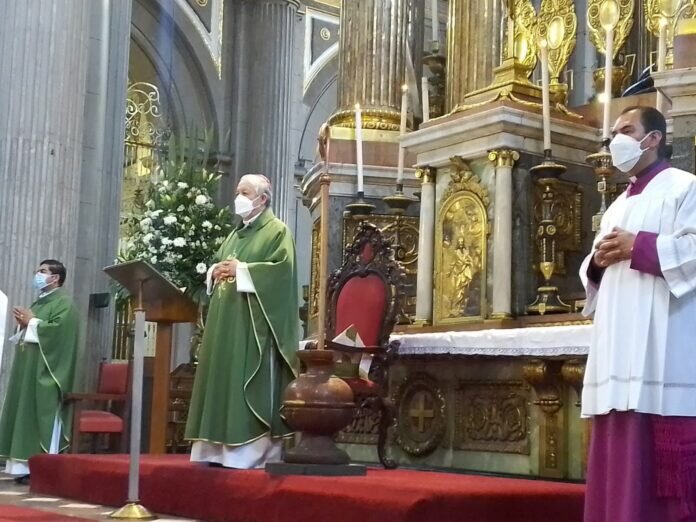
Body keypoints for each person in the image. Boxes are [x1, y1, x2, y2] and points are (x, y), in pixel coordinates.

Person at [580, 106, 696, 521]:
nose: (617, 140)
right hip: (616, 348)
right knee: (616, 465)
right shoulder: (615, 207)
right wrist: (596, 264)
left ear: (655, 138)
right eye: (614, 132)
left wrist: (640, 246)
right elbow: (594, 270)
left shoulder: (685, 187)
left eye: (627, 130)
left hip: (666, 347)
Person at [185, 174, 299, 469]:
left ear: (263, 198)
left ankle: (250, 453)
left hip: (252, 326)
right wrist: (215, 271)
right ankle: (215, 450)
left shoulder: (277, 231)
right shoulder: (234, 235)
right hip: (226, 324)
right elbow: (222, 262)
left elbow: (282, 273)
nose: (239, 198)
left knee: (245, 379)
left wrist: (243, 270)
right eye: (238, 192)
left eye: (245, 193)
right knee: (223, 380)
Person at [0, 260, 80, 484]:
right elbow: (30, 330)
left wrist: (32, 322)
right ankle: (23, 467)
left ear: (55, 278)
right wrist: (23, 324)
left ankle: (42, 468)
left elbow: (59, 333)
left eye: (42, 271)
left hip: (47, 373)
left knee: (40, 416)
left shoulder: (64, 304)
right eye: (38, 270)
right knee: (23, 415)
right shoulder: (40, 302)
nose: (37, 274)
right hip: (29, 370)